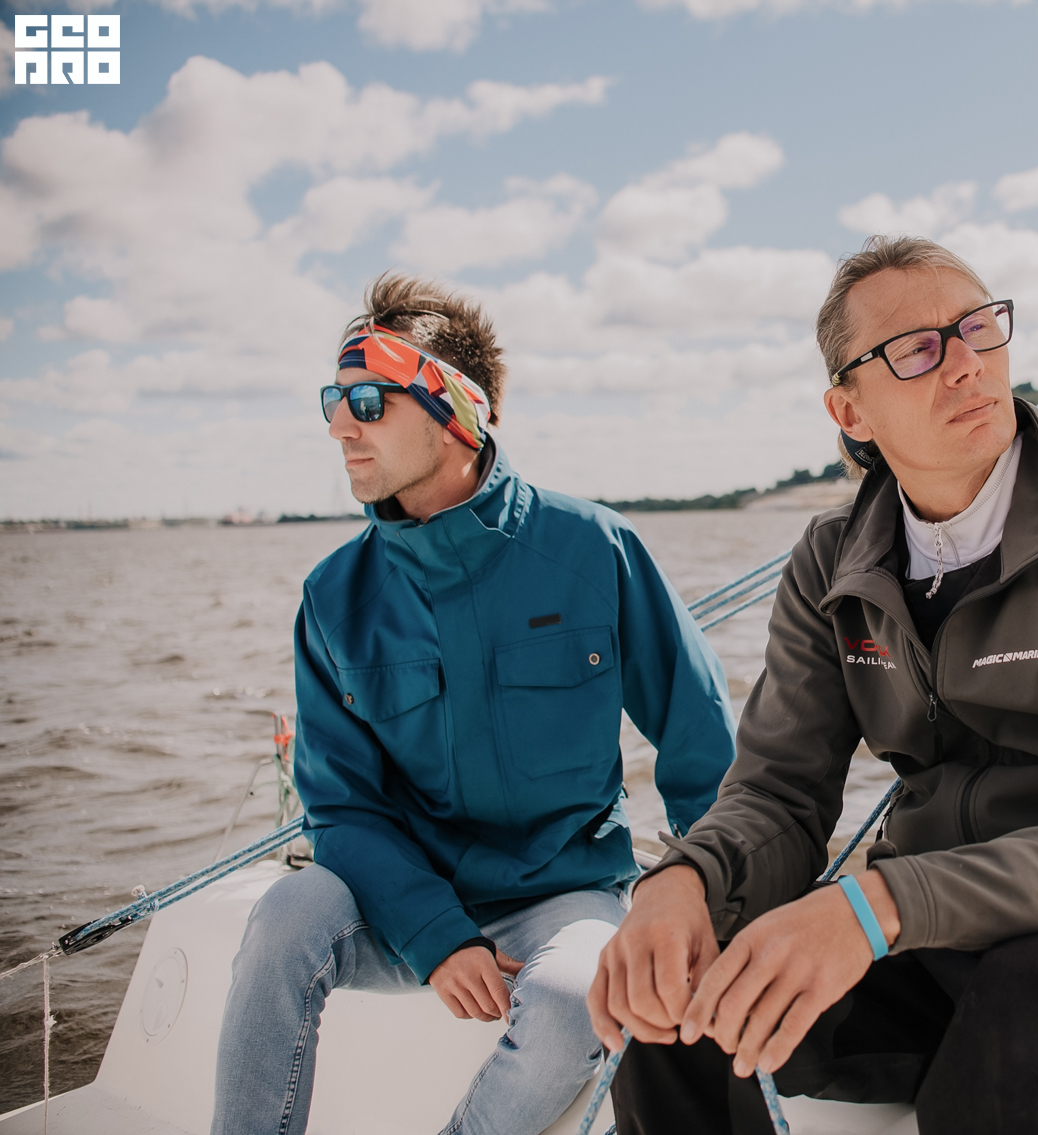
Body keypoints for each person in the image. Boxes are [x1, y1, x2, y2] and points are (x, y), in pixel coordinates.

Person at [591, 236, 1038, 1135]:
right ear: (850, 409)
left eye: (979, 329)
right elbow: (778, 794)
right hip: (937, 942)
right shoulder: (831, 564)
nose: (965, 364)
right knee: (684, 1009)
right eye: (916, 349)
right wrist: (684, 881)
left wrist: (878, 905)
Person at [212, 274, 737, 1135]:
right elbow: (341, 806)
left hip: (566, 893)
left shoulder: (593, 548)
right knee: (283, 916)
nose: (341, 426)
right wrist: (436, 933)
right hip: (399, 899)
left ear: (457, 408)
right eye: (333, 402)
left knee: (575, 999)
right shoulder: (333, 596)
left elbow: (700, 741)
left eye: (369, 402)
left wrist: (720, 899)